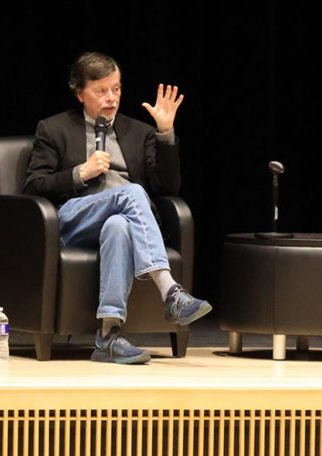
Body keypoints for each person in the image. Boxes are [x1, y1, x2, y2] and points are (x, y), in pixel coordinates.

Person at [24, 52, 211, 365]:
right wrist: (79, 173)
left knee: (119, 226)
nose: (111, 98)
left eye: (116, 89)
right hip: (73, 219)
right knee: (132, 193)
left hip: (123, 218)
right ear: (80, 92)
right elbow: (33, 186)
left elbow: (168, 188)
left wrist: (165, 134)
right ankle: (169, 291)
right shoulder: (54, 128)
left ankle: (108, 336)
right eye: (101, 91)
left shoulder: (138, 132)